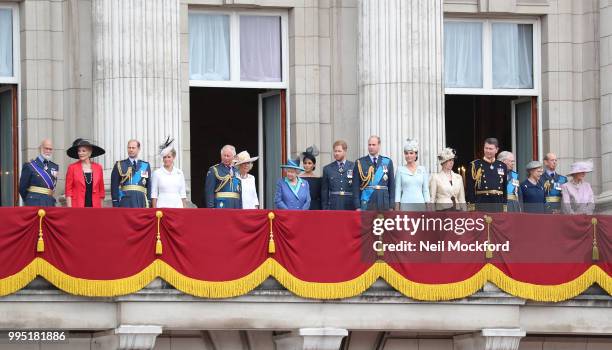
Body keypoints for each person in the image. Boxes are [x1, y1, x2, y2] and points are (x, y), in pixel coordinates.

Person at [353, 135, 395, 211]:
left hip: (383, 201)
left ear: (379, 146)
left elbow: (391, 185)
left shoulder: (387, 162)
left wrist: (391, 205)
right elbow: (355, 186)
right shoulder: (360, 162)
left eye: (373, 145)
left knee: (382, 222)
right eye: (369, 145)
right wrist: (357, 206)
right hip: (367, 201)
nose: (371, 147)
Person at [465, 138, 507, 212]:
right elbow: (470, 188)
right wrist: (471, 206)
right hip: (481, 202)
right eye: (486, 148)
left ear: (497, 150)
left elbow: (504, 187)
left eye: (490, 149)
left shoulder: (502, 165)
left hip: (498, 203)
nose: (488, 151)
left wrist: (504, 205)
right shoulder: (475, 165)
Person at [111, 140, 152, 208]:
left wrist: (149, 201)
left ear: (138, 149)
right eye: (129, 147)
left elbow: (149, 185)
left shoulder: (145, 165)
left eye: (133, 148)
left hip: (141, 201)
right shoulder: (119, 165)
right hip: (125, 201)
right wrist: (115, 202)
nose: (131, 150)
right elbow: (114, 186)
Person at [65, 139, 105, 208]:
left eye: (83, 151)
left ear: (90, 152)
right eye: (79, 151)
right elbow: (68, 190)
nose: (80, 153)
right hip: (77, 206)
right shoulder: (72, 168)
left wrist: (100, 208)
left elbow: (101, 191)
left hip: (95, 206)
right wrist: (69, 207)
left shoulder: (98, 168)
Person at [19, 139, 59, 207]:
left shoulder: (54, 167)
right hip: (34, 203)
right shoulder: (30, 166)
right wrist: (29, 200)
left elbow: (52, 187)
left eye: (50, 149)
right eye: (46, 148)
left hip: (49, 203)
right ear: (40, 148)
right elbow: (22, 188)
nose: (48, 151)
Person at [151, 138, 187, 208]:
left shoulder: (179, 173)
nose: (166, 159)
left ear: (173, 157)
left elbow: (183, 194)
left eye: (169, 157)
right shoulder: (157, 173)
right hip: (162, 206)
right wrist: (154, 210)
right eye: (165, 157)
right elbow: (154, 194)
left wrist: (184, 210)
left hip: (177, 206)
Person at [394, 139, 430, 211]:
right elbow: (397, 190)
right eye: (406, 153)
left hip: (420, 204)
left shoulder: (422, 169)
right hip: (405, 205)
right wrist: (397, 207)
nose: (408, 155)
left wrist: (428, 206)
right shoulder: (400, 170)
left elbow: (425, 189)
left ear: (416, 154)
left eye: (411, 153)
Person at [321, 140, 355, 210]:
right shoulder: (327, 168)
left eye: (339, 151)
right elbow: (324, 191)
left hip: (349, 204)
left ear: (345, 151)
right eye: (335, 151)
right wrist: (325, 208)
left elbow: (357, 188)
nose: (336, 153)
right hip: (334, 205)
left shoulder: (354, 167)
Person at [300, 145, 321, 210]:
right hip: (301, 207)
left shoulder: (319, 179)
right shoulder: (298, 179)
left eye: (309, 163)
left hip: (315, 208)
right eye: (305, 163)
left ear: (314, 164)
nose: (307, 165)